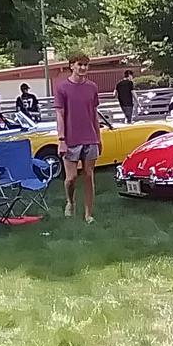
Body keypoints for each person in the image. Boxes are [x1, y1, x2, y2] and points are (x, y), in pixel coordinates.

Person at [54, 52, 101, 224]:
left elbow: (94, 114)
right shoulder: (62, 87)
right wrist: (61, 140)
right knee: (71, 177)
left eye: (85, 65)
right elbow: (60, 114)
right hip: (70, 139)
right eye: (79, 64)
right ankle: (70, 201)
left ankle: (88, 214)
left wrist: (98, 138)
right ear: (72, 66)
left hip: (90, 137)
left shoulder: (92, 87)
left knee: (89, 176)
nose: (83, 68)